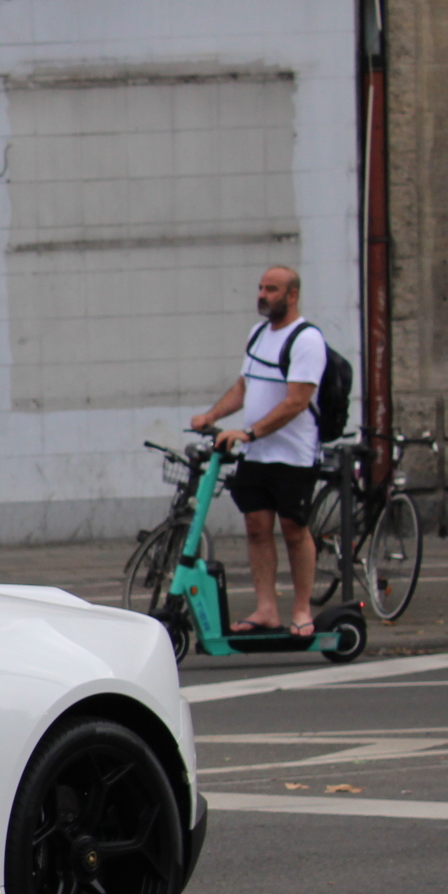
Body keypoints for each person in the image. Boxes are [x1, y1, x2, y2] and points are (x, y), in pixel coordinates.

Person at [192, 266, 329, 638]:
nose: (263, 295)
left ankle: (301, 609)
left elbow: (297, 402)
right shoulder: (257, 335)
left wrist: (248, 432)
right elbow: (244, 385)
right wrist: (213, 414)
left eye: (272, 289)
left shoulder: (306, 340)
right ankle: (266, 609)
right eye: (261, 288)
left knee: (294, 529)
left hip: (293, 454)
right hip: (257, 454)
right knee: (256, 528)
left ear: (292, 295)